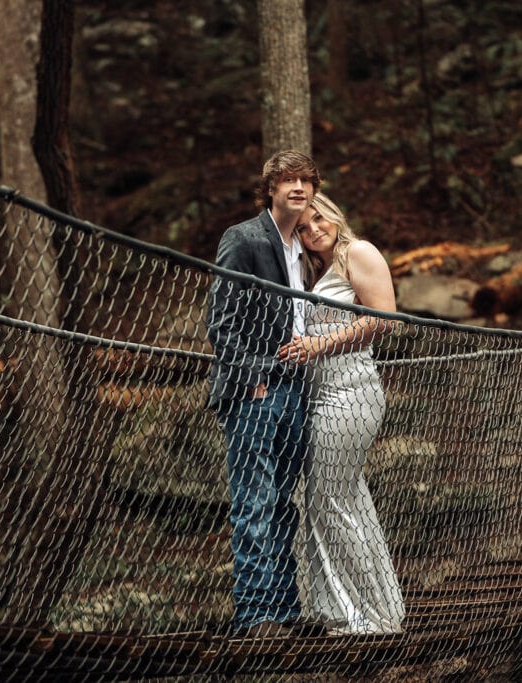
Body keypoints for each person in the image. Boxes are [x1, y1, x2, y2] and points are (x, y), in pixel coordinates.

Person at [278, 193, 405, 635]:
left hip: (350, 392)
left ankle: (370, 617)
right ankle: (358, 608)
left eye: (318, 218)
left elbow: (385, 318)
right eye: (303, 228)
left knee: (330, 496)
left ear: (332, 212)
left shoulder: (359, 252)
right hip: (317, 396)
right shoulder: (314, 270)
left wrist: (319, 345)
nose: (314, 229)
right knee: (338, 497)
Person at [206, 150, 321, 639]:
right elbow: (221, 321)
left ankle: (285, 612)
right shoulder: (244, 238)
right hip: (258, 387)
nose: (297, 187)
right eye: (286, 180)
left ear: (314, 190)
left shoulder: (305, 248)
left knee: (281, 503)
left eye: (305, 180)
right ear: (270, 189)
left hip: (297, 388)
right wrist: (252, 374)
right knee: (253, 502)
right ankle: (255, 616)